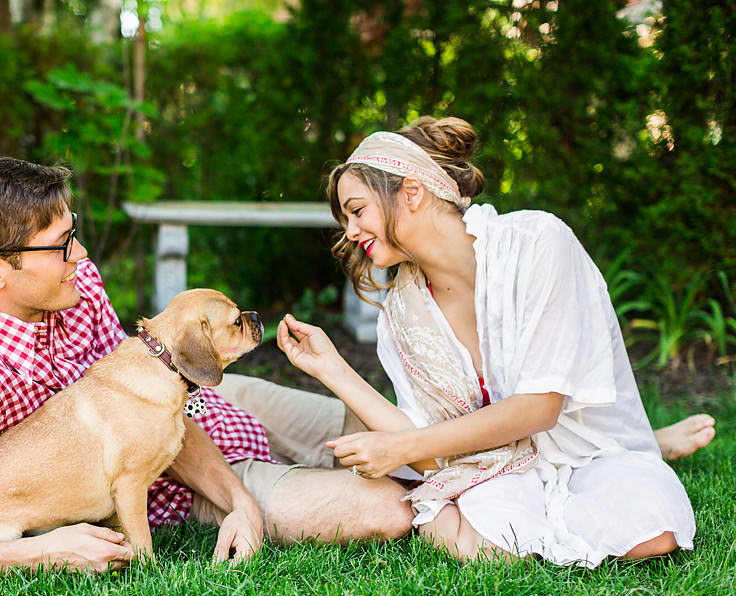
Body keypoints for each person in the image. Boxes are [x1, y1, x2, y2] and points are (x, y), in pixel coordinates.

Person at [0, 156, 414, 581]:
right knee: (394, 505)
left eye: (73, 233)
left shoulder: (73, 285)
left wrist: (244, 506)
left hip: (207, 404)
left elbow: (159, 389)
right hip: (167, 478)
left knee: (402, 435)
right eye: (60, 245)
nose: (80, 256)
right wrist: (38, 552)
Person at [264, 116, 712, 566]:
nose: (351, 231)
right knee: (467, 545)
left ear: (412, 193)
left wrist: (400, 450)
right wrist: (332, 369)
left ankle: (648, 451)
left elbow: (540, 408)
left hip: (583, 450)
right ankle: (538, 500)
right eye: (346, 219)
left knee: (654, 530)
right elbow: (424, 444)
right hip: (499, 467)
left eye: (357, 211)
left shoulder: (538, 242)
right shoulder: (401, 312)